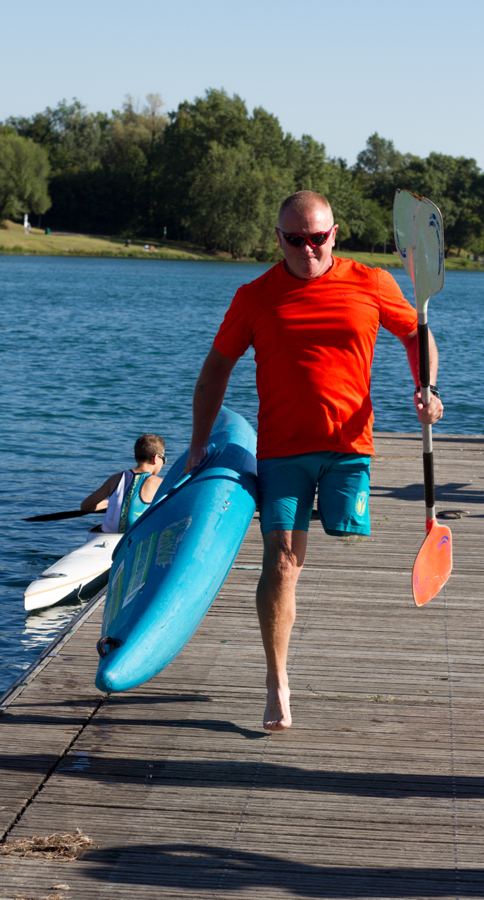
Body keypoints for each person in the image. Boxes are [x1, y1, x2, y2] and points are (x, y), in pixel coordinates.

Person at [184, 190, 444, 731]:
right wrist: (197, 445)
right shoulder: (254, 297)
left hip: (350, 447)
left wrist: (427, 388)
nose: (307, 248)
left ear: (335, 233)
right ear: (277, 238)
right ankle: (277, 682)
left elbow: (416, 335)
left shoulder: (371, 283)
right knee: (282, 563)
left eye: (317, 237)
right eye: (295, 239)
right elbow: (214, 372)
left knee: (346, 534)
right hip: (282, 452)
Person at [81, 434, 166, 533]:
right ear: (156, 458)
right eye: (164, 460)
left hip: (106, 536)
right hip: (133, 537)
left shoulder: (115, 479)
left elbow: (85, 506)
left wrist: (114, 503)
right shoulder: (158, 483)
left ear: (135, 458)